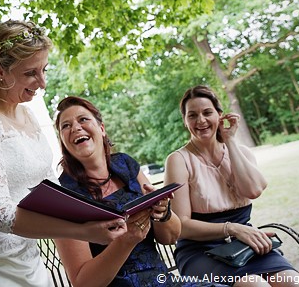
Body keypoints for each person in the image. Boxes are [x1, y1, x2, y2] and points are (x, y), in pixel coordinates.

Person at [0, 20, 126, 286]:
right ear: (0, 71)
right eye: (31, 73)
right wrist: (82, 231)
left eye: (44, 70)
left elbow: (49, 186)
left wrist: (98, 213)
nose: (42, 83)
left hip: (27, 258)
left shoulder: (27, 114)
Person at [53, 96, 221, 287]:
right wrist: (126, 241)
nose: (75, 127)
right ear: (63, 142)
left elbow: (170, 237)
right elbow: (83, 283)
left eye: (83, 119)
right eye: (65, 126)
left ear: (101, 129)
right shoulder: (63, 196)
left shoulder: (125, 165)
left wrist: (163, 212)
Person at [164, 85, 299, 286]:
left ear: (219, 115)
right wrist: (232, 229)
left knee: (297, 283)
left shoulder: (240, 152)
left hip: (244, 245)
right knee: (256, 285)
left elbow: (254, 190)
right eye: (192, 115)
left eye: (207, 113)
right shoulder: (178, 160)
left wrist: (230, 140)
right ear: (185, 120)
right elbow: (181, 225)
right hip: (199, 252)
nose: (201, 121)